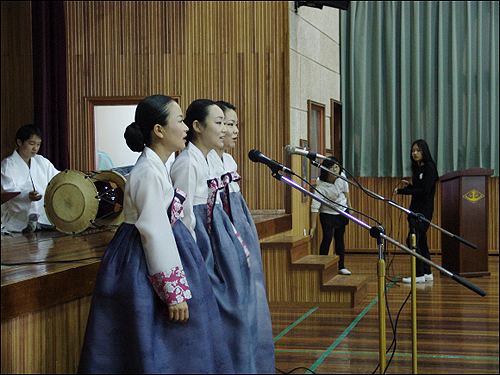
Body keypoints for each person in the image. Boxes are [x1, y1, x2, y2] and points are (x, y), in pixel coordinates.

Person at [78, 95, 233, 374]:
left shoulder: (156, 167)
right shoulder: (147, 172)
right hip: (143, 260)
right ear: (159, 130)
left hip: (164, 252)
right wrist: (173, 292)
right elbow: (154, 232)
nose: (186, 128)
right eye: (179, 121)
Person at [170, 99, 263, 373]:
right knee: (225, 313)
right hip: (205, 246)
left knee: (241, 311)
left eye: (230, 124)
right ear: (197, 126)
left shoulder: (215, 159)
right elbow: (184, 219)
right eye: (220, 123)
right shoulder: (187, 163)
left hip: (222, 240)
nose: (226, 130)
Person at [207, 101, 275, 373]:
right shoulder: (197, 163)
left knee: (252, 304)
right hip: (221, 244)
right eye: (225, 123)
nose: (232, 130)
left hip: (239, 238)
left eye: (234, 124)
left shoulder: (229, 161)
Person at [394, 139, 439, 284]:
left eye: (418, 150)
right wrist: (409, 187)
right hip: (415, 208)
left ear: (424, 151)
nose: (415, 153)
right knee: (422, 242)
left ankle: (418, 274)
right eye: (413, 151)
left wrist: (402, 191)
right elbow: (417, 188)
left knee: (412, 240)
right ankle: (427, 272)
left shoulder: (430, 168)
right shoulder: (418, 168)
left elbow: (424, 190)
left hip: (423, 211)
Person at [1, 124, 59, 233]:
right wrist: (27, 195)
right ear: (19, 142)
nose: (35, 148)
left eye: (38, 144)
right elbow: (8, 190)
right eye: (31, 144)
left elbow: (57, 179)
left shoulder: (42, 161)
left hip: (45, 215)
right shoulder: (7, 165)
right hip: (18, 218)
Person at [310, 157, 352, 275]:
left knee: (340, 239)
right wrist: (313, 226)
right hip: (327, 214)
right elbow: (314, 207)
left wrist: (350, 206)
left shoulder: (342, 177)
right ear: (325, 170)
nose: (335, 170)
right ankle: (321, 265)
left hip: (342, 211)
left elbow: (346, 191)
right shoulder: (321, 186)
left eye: (337, 167)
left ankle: (341, 266)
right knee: (327, 237)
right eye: (332, 168)